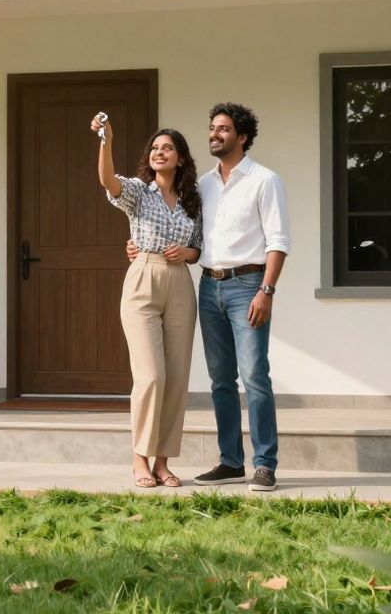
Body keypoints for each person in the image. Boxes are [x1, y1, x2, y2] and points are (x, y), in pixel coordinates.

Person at [127, 103, 289, 492]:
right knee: (220, 380)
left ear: (243, 137)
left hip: (249, 286)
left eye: (224, 129)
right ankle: (231, 461)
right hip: (208, 285)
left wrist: (266, 291)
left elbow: (278, 242)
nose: (214, 134)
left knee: (254, 377)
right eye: (212, 128)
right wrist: (136, 244)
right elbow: (188, 237)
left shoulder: (265, 181)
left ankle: (264, 464)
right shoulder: (200, 186)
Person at [93, 116, 202, 489]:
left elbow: (200, 246)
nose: (159, 152)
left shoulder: (193, 199)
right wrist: (106, 141)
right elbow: (108, 182)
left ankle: (163, 462)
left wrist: (189, 251)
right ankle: (139, 457)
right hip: (143, 277)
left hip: (181, 285)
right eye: (155, 148)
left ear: (181, 159)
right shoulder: (139, 191)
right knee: (151, 376)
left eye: (167, 148)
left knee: (176, 379)